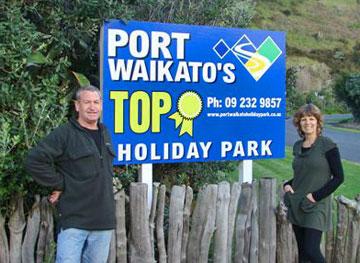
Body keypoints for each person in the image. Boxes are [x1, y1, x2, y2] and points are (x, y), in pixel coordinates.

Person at [26, 85, 116, 263]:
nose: (92, 107)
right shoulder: (64, 134)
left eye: (96, 102)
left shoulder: (105, 132)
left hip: (103, 220)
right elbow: (34, 160)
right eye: (87, 102)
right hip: (73, 220)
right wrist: (58, 184)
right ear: (77, 106)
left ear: (101, 105)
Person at [283, 103, 344, 263]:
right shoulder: (297, 146)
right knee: (303, 253)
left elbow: (339, 177)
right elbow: (302, 175)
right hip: (297, 204)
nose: (307, 122)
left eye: (311, 119)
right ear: (299, 123)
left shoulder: (327, 145)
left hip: (316, 205)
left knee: (311, 250)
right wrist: (287, 185)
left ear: (318, 122)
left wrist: (315, 197)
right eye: (303, 119)